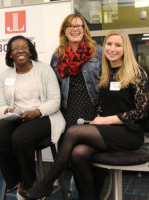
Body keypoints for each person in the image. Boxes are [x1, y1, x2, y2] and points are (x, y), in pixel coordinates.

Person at [21, 30, 148, 200]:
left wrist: (105, 120)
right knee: (78, 154)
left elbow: (141, 112)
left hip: (129, 133)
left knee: (74, 131)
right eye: (109, 44)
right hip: (109, 131)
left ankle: (46, 184)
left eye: (118, 45)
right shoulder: (106, 73)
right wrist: (100, 117)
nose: (112, 49)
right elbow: (105, 105)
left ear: (126, 49)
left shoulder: (136, 73)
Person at [0, 35, 65, 199]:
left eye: (24, 47)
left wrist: (36, 112)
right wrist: (8, 112)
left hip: (43, 116)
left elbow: (55, 102)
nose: (20, 50)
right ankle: (18, 179)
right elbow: (0, 106)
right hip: (17, 117)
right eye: (15, 48)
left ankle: (30, 185)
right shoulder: (5, 76)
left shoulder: (44, 70)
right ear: (10, 54)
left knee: (20, 138)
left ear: (30, 52)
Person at [50, 13, 106, 196]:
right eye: (70, 26)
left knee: (93, 157)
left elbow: (106, 82)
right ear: (64, 31)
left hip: (93, 110)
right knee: (73, 158)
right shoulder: (58, 56)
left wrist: (104, 110)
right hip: (68, 112)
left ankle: (90, 194)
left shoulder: (96, 51)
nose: (75, 29)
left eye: (78, 26)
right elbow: (54, 87)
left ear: (84, 29)